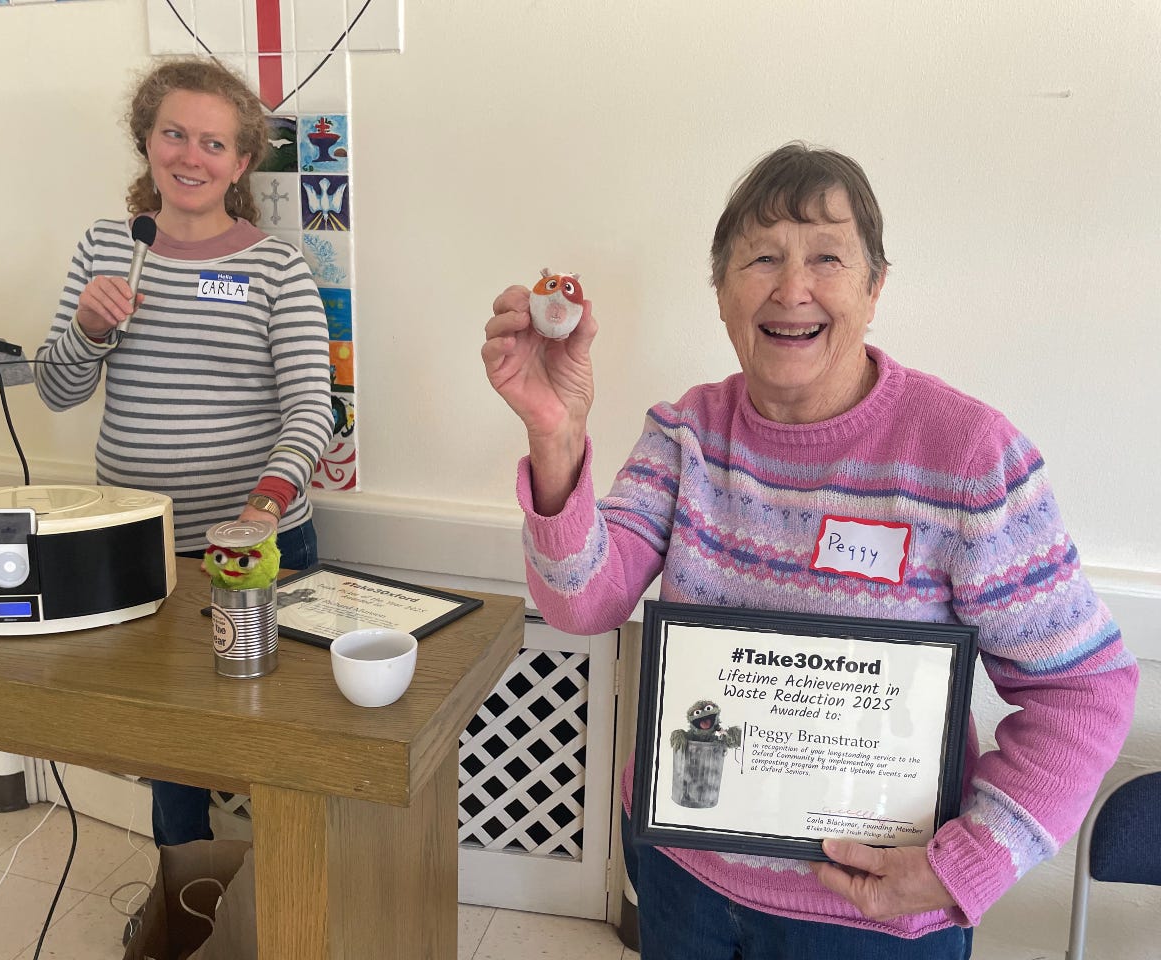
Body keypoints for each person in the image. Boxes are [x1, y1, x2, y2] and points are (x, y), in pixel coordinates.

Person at [481, 142, 1138, 959]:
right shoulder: (687, 433)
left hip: (871, 917)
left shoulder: (969, 457)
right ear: (721, 291)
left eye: (827, 257)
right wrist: (556, 436)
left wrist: (967, 865)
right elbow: (585, 602)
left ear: (874, 286)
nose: (792, 289)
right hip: (684, 875)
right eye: (761, 258)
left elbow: (1084, 689)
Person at [35, 58, 335, 851]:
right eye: (174, 134)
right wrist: (88, 330)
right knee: (173, 742)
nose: (190, 156)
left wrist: (261, 507)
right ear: (147, 141)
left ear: (241, 163)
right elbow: (57, 392)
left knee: (276, 736)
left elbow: (315, 408)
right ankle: (186, 888)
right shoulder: (107, 247)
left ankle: (287, 898)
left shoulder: (275, 266)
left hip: (259, 547)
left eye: (213, 143)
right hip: (144, 548)